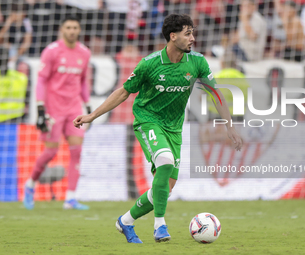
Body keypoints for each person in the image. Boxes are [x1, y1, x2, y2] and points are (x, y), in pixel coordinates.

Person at [73, 14, 243, 243]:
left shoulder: (198, 62)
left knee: (164, 190)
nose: (192, 38)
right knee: (164, 160)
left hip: (173, 129)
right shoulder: (149, 64)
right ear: (172, 36)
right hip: (147, 120)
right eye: (187, 33)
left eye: (193, 32)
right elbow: (124, 91)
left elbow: (215, 93)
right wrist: (92, 116)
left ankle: (125, 221)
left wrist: (229, 126)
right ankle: (160, 226)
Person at [23, 16, 91, 210]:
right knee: (50, 152)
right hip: (53, 109)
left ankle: (70, 198)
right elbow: (42, 80)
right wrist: (40, 107)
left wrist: (87, 106)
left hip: (74, 109)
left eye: (75, 27)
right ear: (62, 30)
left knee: (76, 151)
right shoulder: (52, 51)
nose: (72, 31)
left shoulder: (84, 53)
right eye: (68, 27)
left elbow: (84, 81)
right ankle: (30, 184)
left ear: (79, 30)